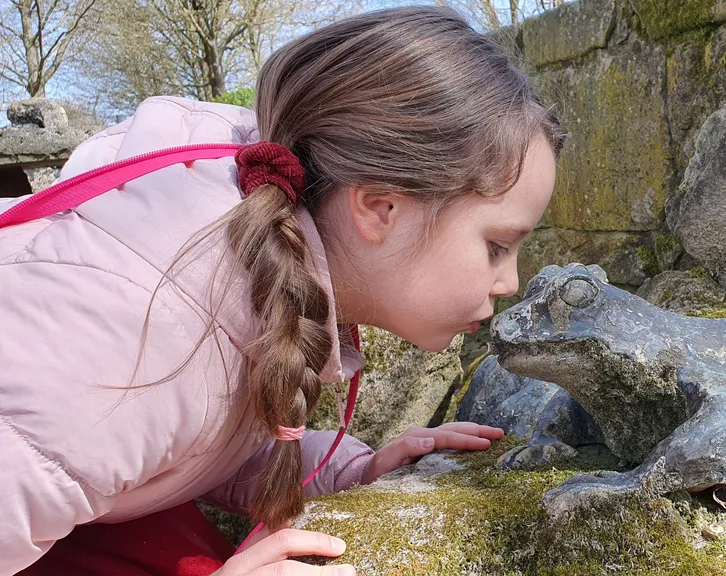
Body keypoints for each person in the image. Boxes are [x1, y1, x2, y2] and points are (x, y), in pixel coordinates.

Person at [0, 6, 565, 575]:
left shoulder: (250, 274)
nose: (510, 282)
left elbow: (205, 445)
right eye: (496, 245)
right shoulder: (139, 340)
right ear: (380, 209)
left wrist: (355, 470)